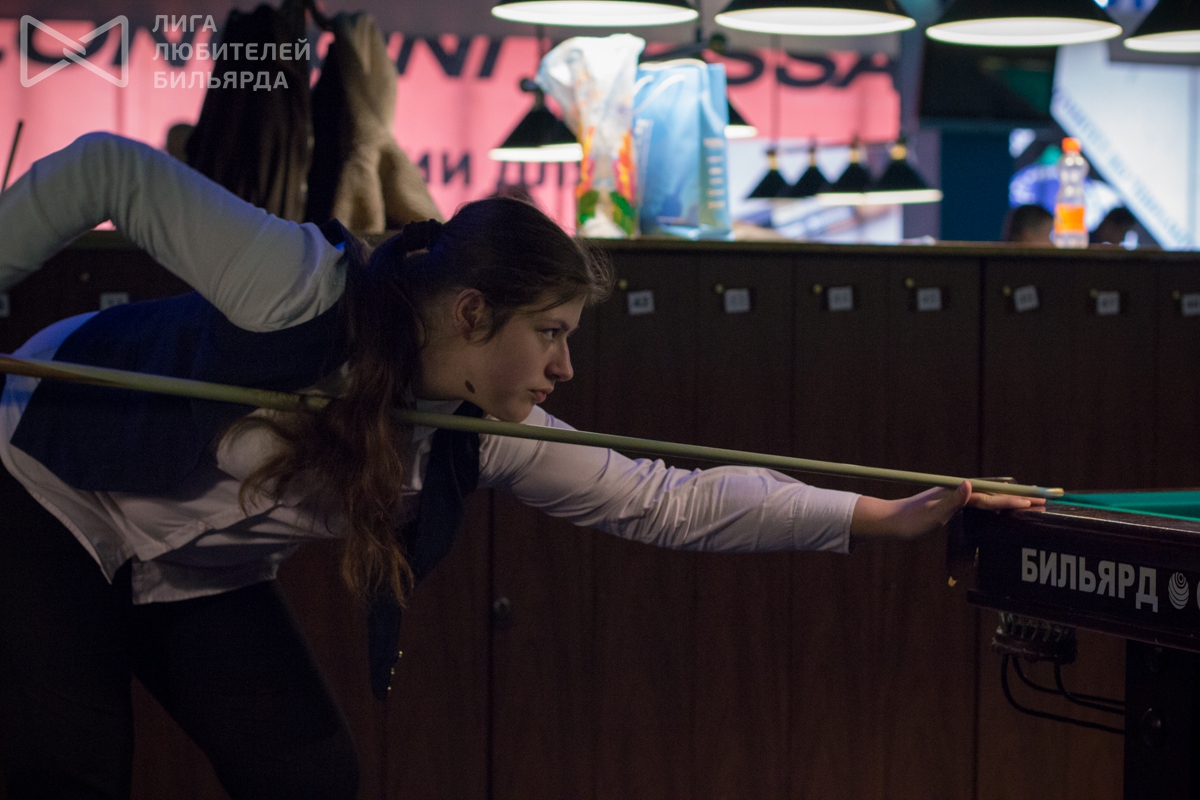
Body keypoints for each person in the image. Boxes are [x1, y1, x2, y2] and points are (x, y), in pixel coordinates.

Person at [0, 133, 1040, 800]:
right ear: (470, 312)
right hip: (48, 485)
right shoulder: (298, 287)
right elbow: (107, 170)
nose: (564, 367)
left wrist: (885, 517)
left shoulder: (480, 426)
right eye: (550, 333)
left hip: (192, 571)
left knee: (310, 775)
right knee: (74, 769)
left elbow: (667, 502)